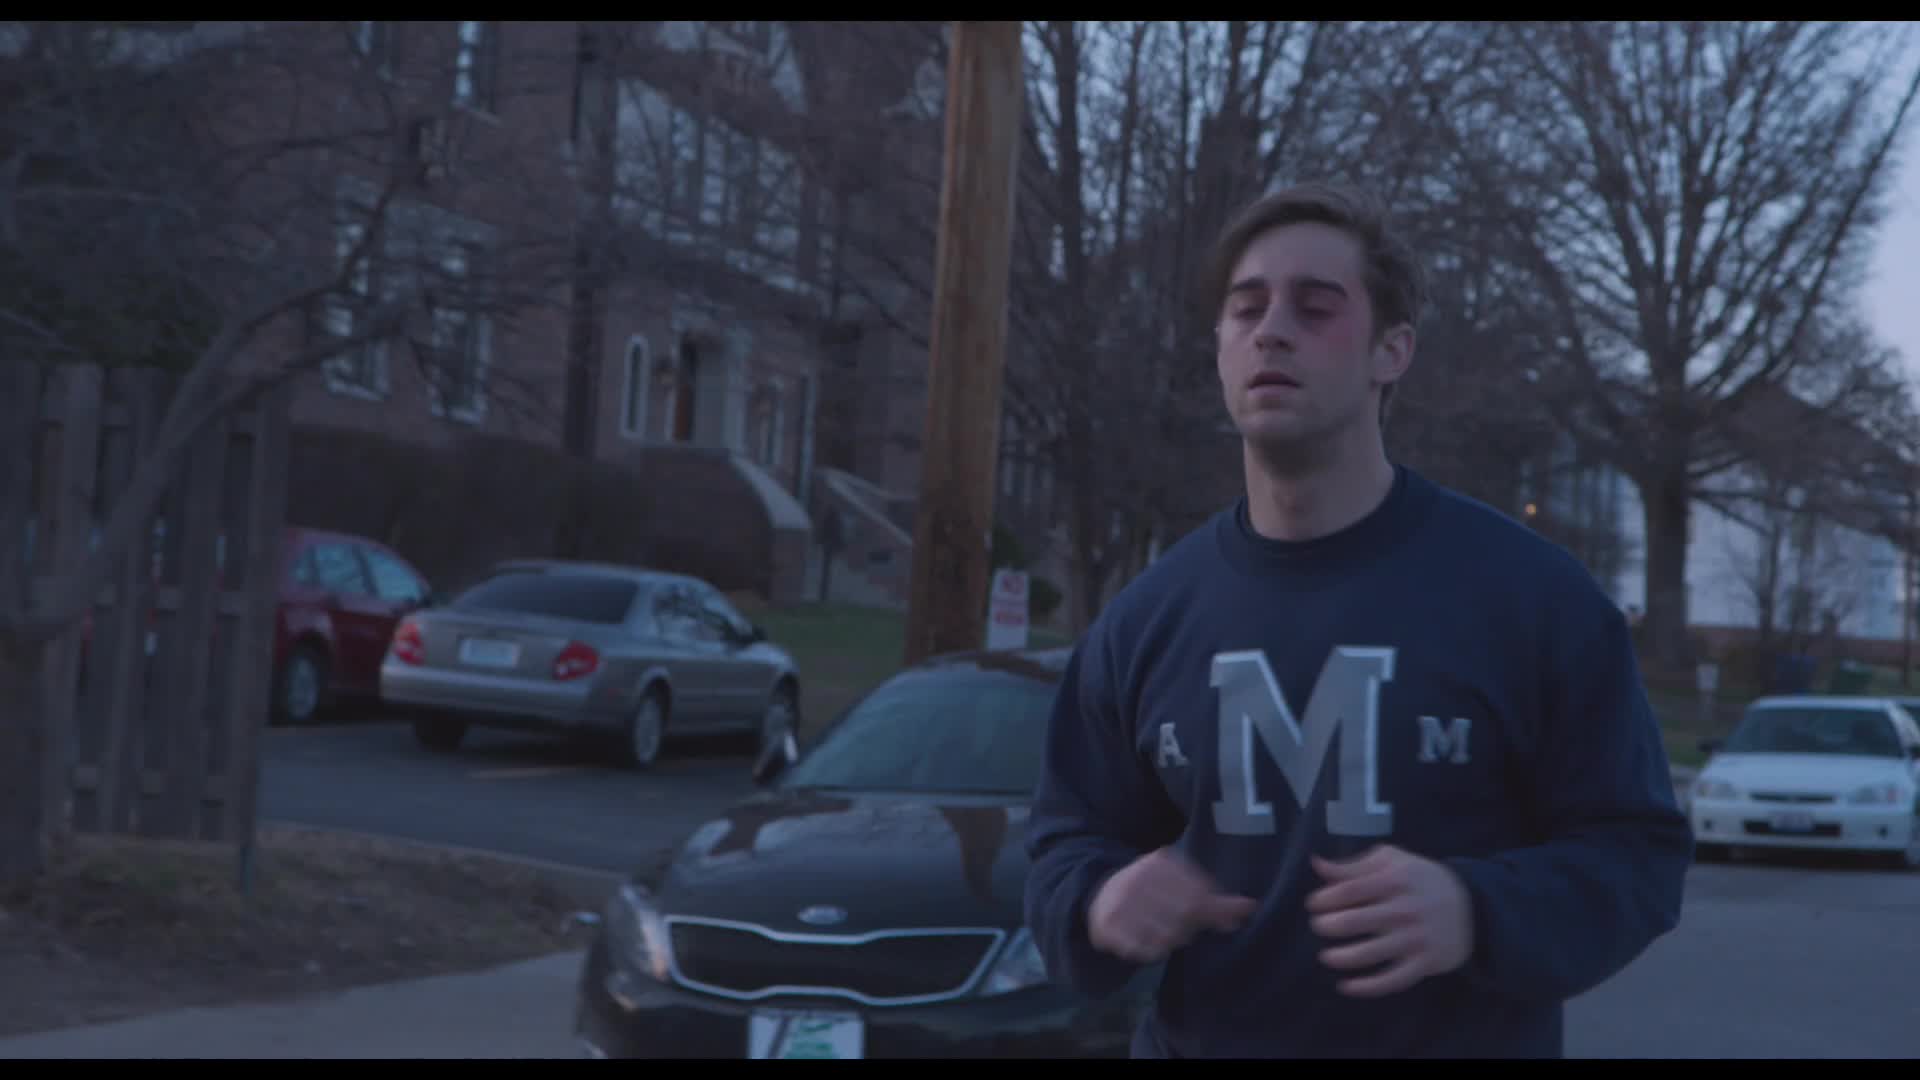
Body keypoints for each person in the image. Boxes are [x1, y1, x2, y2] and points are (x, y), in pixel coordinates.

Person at [1022, 181, 1693, 1059]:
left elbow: (1638, 856)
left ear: (1392, 350)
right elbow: (1064, 843)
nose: (1272, 331)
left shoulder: (1532, 600)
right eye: (1246, 308)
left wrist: (1475, 909)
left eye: (1316, 307)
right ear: (1220, 347)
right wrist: (1097, 900)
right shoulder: (1144, 621)